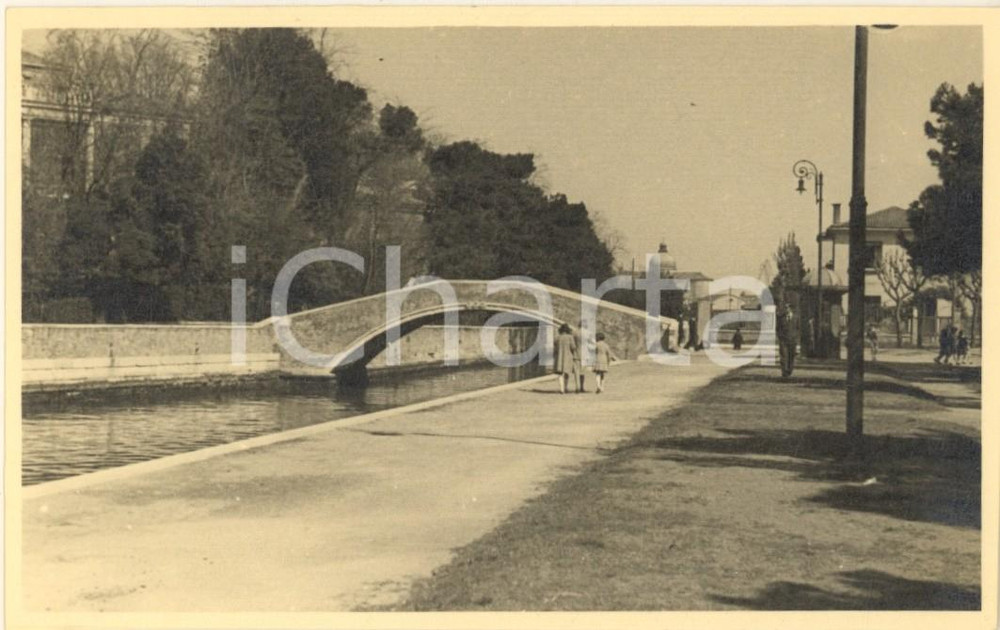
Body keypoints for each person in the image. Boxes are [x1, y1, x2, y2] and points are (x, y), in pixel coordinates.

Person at [554, 324, 578, 394]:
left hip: (559, 357)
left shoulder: (557, 337)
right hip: (568, 357)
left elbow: (555, 347)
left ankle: (561, 389)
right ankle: (566, 387)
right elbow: (573, 347)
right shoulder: (570, 337)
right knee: (567, 373)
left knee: (560, 374)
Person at [776, 303, 797, 378]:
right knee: (783, 356)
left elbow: (798, 328)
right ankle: (784, 372)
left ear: (791, 309)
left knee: (791, 356)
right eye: (786, 308)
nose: (787, 309)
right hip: (783, 340)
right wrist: (780, 337)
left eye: (788, 308)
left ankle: (789, 370)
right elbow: (777, 328)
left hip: (792, 340)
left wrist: (795, 337)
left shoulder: (796, 318)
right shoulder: (781, 318)